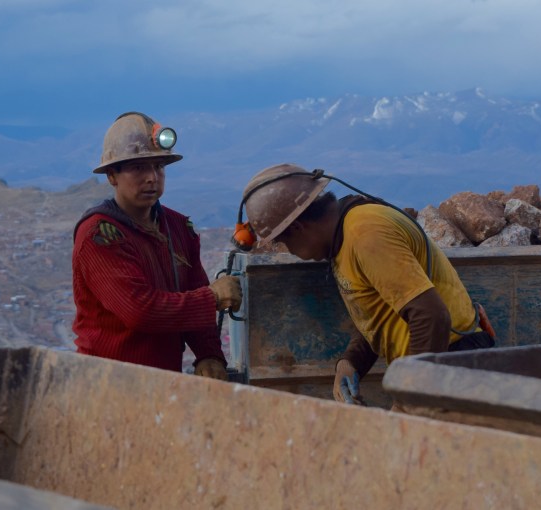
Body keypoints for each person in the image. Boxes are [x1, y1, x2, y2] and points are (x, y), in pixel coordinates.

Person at [239, 163, 495, 405]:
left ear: (298, 227)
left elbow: (431, 316)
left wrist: (412, 399)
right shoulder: (344, 237)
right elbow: (384, 311)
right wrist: (351, 362)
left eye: (284, 243)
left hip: (452, 365)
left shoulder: (365, 234)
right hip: (437, 365)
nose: (290, 251)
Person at [71, 111, 242, 379]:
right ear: (112, 176)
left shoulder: (178, 227)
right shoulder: (100, 236)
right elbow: (139, 311)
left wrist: (209, 354)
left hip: (162, 381)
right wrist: (212, 298)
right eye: (138, 168)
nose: (152, 177)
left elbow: (194, 290)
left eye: (159, 167)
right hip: (108, 382)